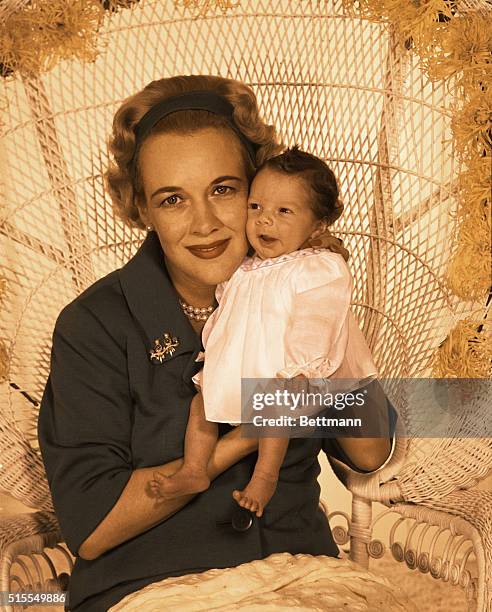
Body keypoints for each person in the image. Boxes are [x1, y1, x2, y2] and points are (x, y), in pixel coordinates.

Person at [38, 75, 393, 612]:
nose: (205, 223)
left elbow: (370, 453)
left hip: (305, 578)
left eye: (224, 190)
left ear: (260, 189)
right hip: (151, 588)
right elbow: (92, 528)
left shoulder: (295, 289)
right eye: (173, 199)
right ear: (141, 209)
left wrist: (330, 315)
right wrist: (253, 432)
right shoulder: (95, 324)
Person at [150, 147, 380, 519]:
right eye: (255, 208)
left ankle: (264, 477)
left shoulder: (318, 267)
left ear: (318, 225)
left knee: (277, 405)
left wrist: (302, 369)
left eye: (284, 212)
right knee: (201, 405)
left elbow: (318, 317)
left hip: (288, 372)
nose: (264, 222)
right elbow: (229, 316)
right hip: (246, 370)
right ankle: (194, 470)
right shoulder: (244, 268)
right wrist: (215, 357)